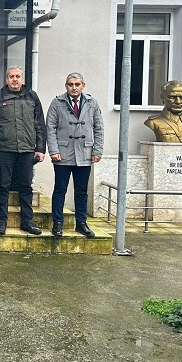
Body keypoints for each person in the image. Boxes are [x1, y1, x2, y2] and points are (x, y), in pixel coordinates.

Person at [0, 67, 46, 236]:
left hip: (27, 150)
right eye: (11, 76)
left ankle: (27, 222)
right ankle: (1, 221)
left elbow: (39, 124)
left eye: (17, 76)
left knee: (26, 187)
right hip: (4, 149)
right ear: (6, 79)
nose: (14, 79)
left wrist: (40, 148)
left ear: (22, 79)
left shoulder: (32, 96)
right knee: (3, 187)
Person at [46, 73, 104, 238]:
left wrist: (97, 150)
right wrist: (54, 150)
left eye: (77, 84)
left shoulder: (92, 103)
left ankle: (81, 223)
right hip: (63, 154)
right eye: (70, 84)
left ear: (83, 85)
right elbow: (50, 127)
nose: (74, 87)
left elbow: (99, 128)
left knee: (81, 191)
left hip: (85, 153)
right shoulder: (57, 103)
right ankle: (58, 223)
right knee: (60, 190)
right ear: (66, 86)